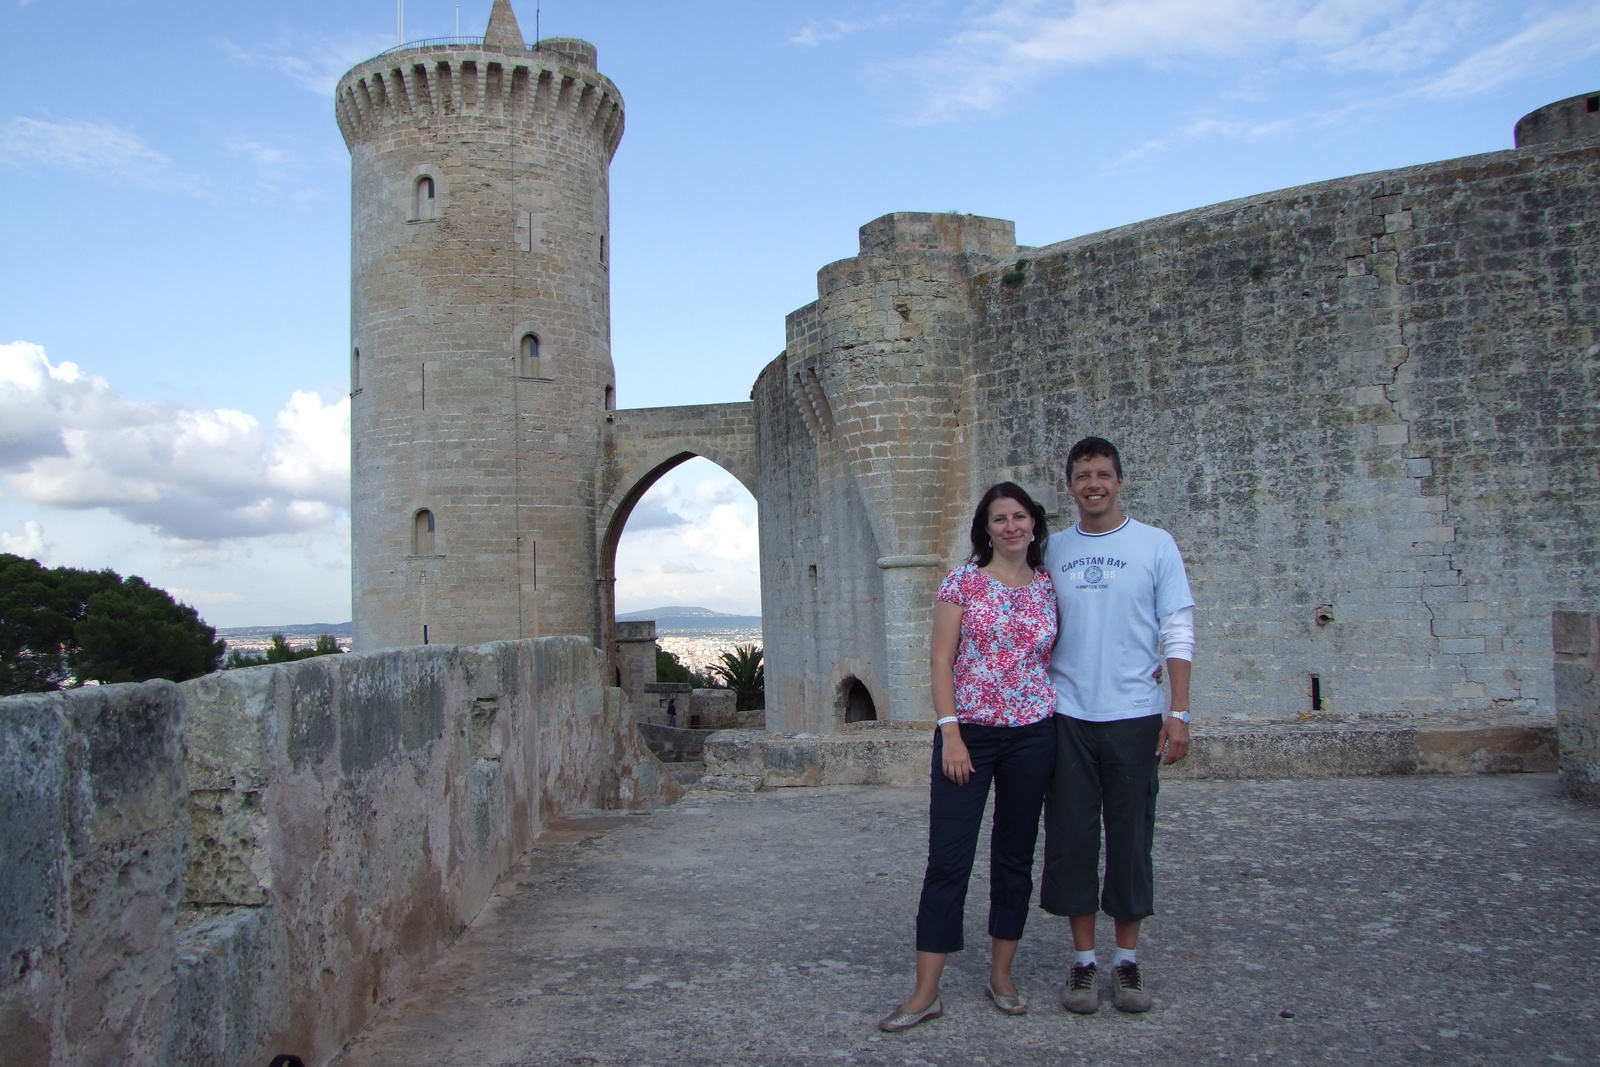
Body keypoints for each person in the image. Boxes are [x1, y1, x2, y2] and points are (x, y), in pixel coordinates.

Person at [879, 482, 1060, 1032]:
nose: (1010, 526)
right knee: (948, 861)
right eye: (1000, 518)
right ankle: (926, 991)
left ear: (1033, 524)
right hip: (970, 736)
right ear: (985, 527)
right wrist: (951, 734)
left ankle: (1001, 976)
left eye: (1019, 516)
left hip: (1033, 733)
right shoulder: (962, 581)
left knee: (1014, 858)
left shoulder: (1048, 584)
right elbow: (940, 661)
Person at [1041, 436, 1194, 1014]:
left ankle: (1126, 962)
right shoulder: (1051, 549)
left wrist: (1178, 711)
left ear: (1120, 480)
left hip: (1133, 713)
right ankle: (1083, 962)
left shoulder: (1155, 545)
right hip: (1067, 713)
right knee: (1072, 838)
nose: (1093, 484)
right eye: (1083, 475)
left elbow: (1177, 629)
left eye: (1103, 474)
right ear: (1070, 484)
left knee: (1132, 839)